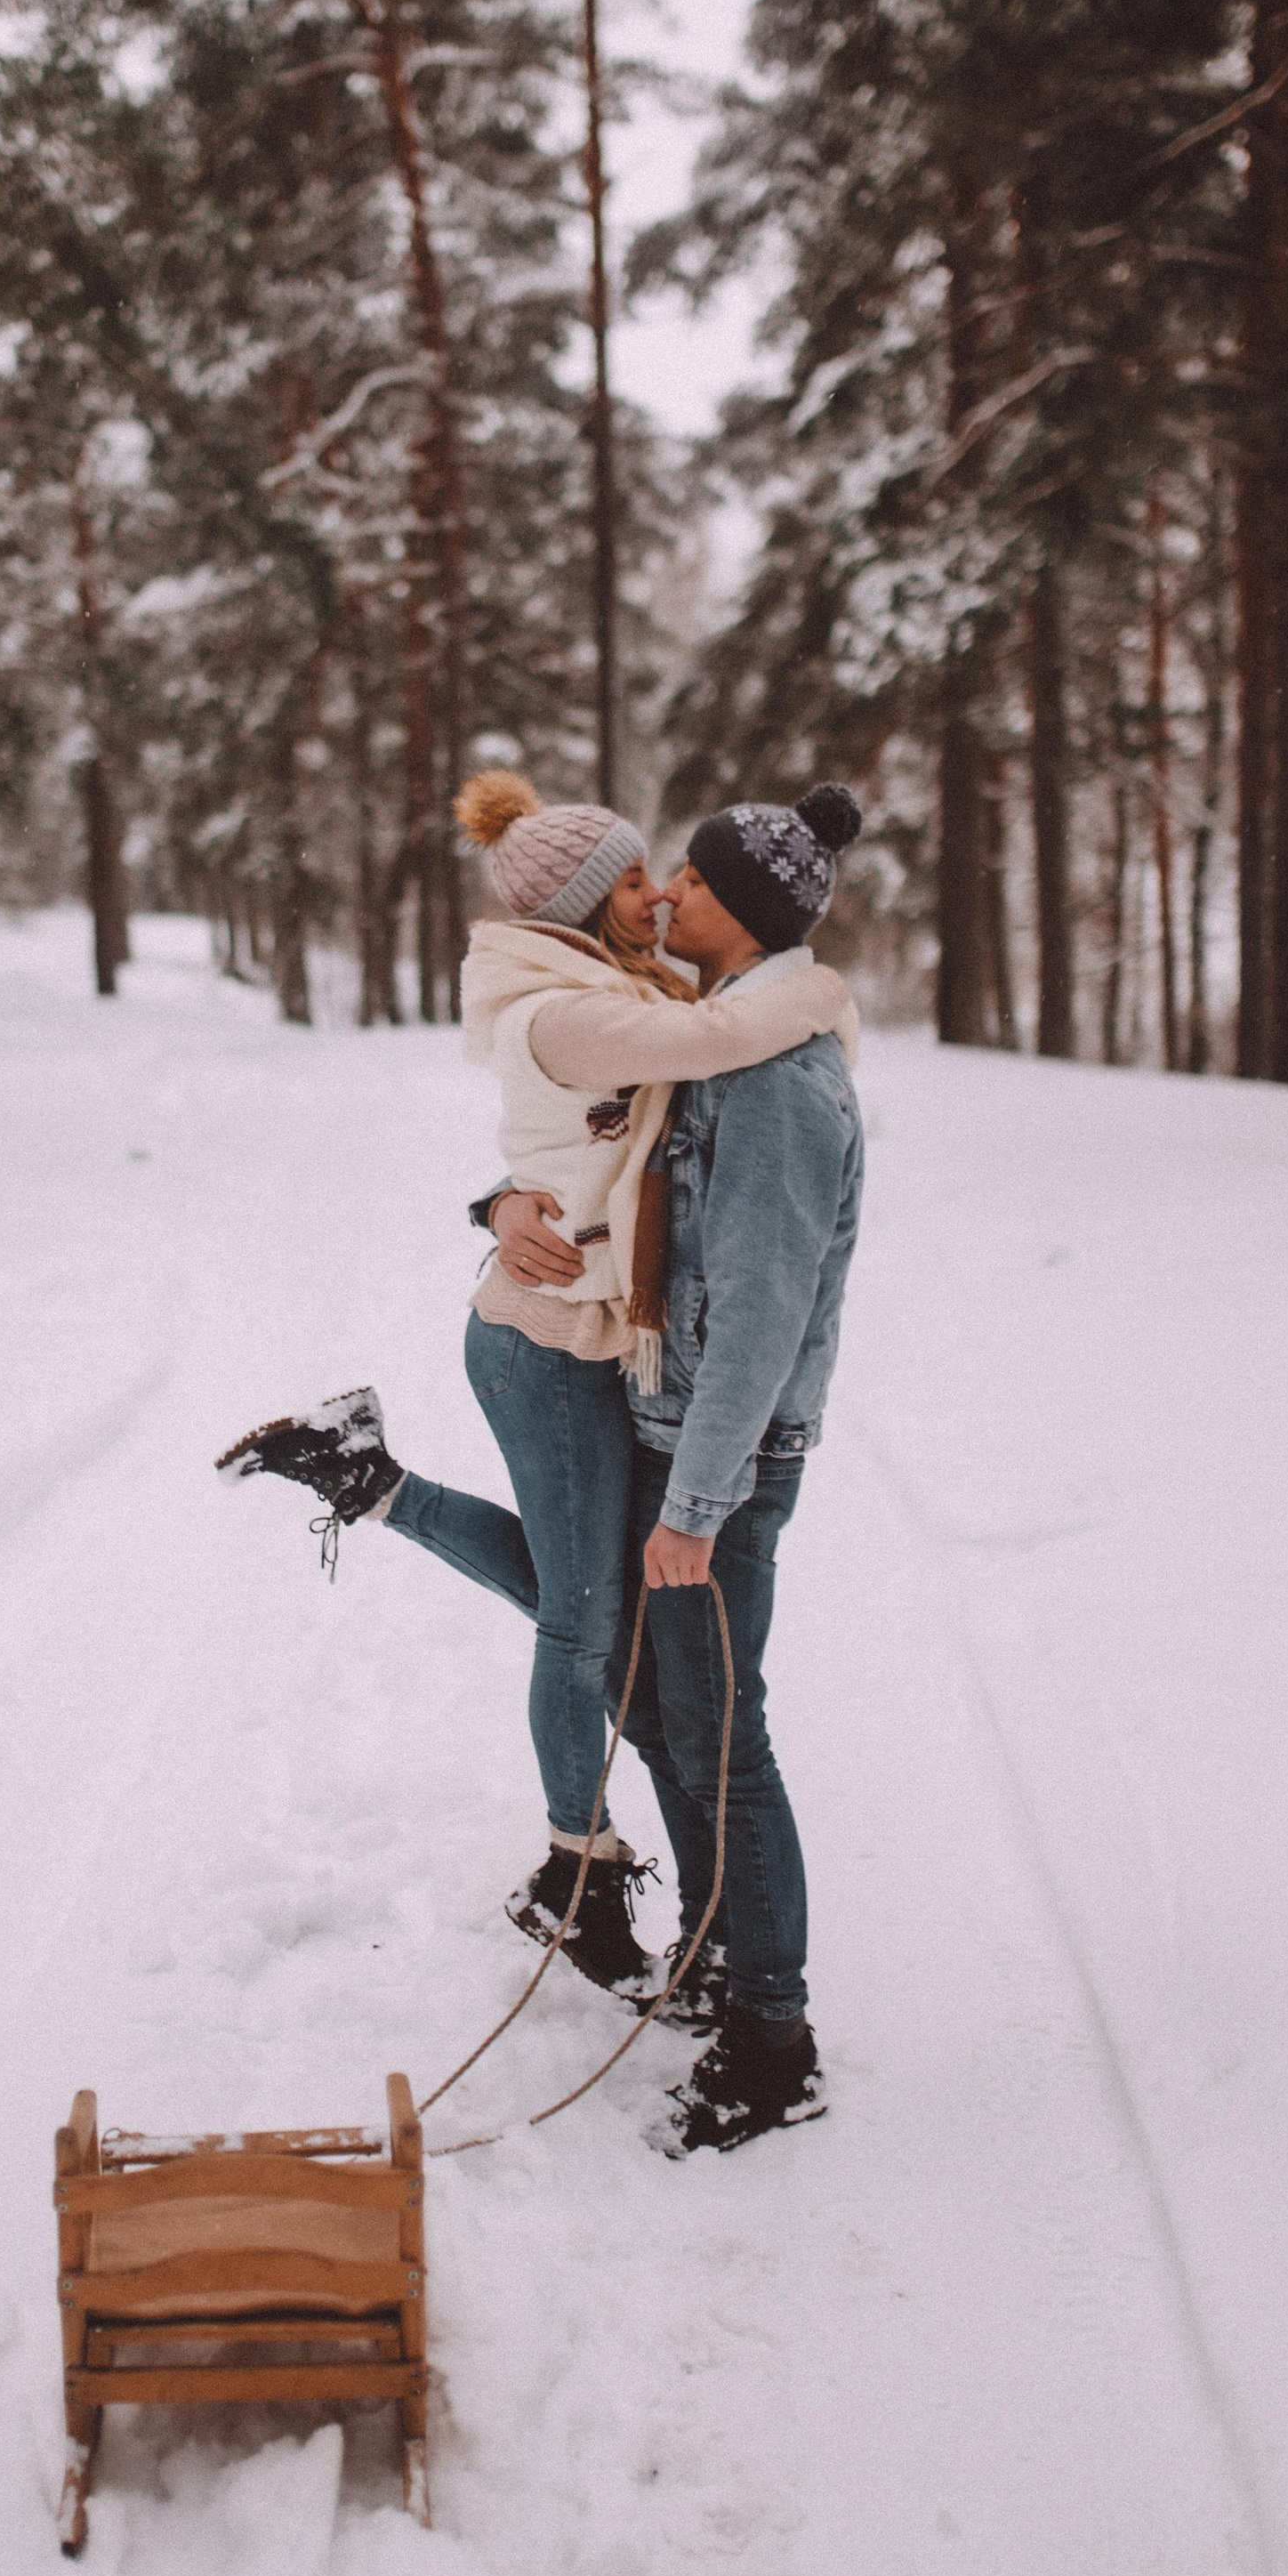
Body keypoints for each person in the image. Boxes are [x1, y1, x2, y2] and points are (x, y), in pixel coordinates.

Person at [217, 769, 857, 2013]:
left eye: (673, 874)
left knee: (613, 1626)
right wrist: (818, 986)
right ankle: (578, 1866)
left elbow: (622, 1136)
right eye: (635, 876)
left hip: (596, 1346)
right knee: (587, 1625)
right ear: (579, 904)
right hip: (544, 1345)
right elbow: (705, 1050)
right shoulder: (577, 1008)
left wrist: (503, 1197)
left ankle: (374, 1483)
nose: (660, 892)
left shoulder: (635, 989)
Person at [497, 779, 865, 2156]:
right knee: (673, 1722)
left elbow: (767, 1309)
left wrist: (700, 1508)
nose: (671, 900)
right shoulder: (723, 1043)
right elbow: (581, 1146)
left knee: (724, 1745)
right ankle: (720, 1961)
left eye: (695, 883)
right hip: (674, 1433)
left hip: (724, 1460)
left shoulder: (775, 1079)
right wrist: (503, 1199)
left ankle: (775, 2040)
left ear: (746, 910)